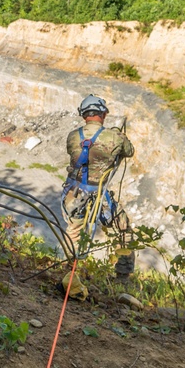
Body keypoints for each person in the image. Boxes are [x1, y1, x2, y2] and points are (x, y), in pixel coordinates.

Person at [60, 94, 135, 281]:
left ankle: (68, 269)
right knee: (123, 229)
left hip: (74, 193)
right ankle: (123, 276)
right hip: (99, 195)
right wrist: (119, 134)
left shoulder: (72, 137)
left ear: (84, 115)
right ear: (102, 113)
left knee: (74, 230)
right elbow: (129, 151)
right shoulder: (114, 138)